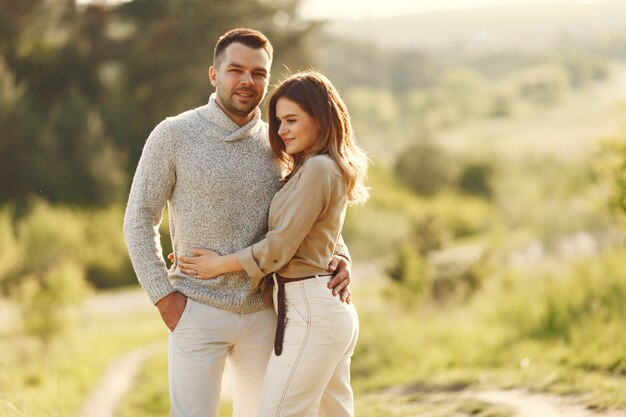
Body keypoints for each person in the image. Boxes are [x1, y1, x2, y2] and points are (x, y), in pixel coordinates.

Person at [123, 28, 352, 417]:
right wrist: (165, 298)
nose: (247, 81)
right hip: (196, 309)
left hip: (266, 314)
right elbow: (138, 218)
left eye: (259, 73)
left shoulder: (281, 140)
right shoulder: (173, 135)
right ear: (214, 75)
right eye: (236, 70)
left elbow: (311, 210)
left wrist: (340, 255)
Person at [177, 71, 369, 417]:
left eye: (292, 120)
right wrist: (341, 254)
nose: (281, 130)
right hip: (319, 309)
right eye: (279, 121)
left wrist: (219, 264)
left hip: (312, 312)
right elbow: (317, 233)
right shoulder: (313, 167)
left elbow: (279, 247)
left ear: (321, 118)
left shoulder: (318, 170)